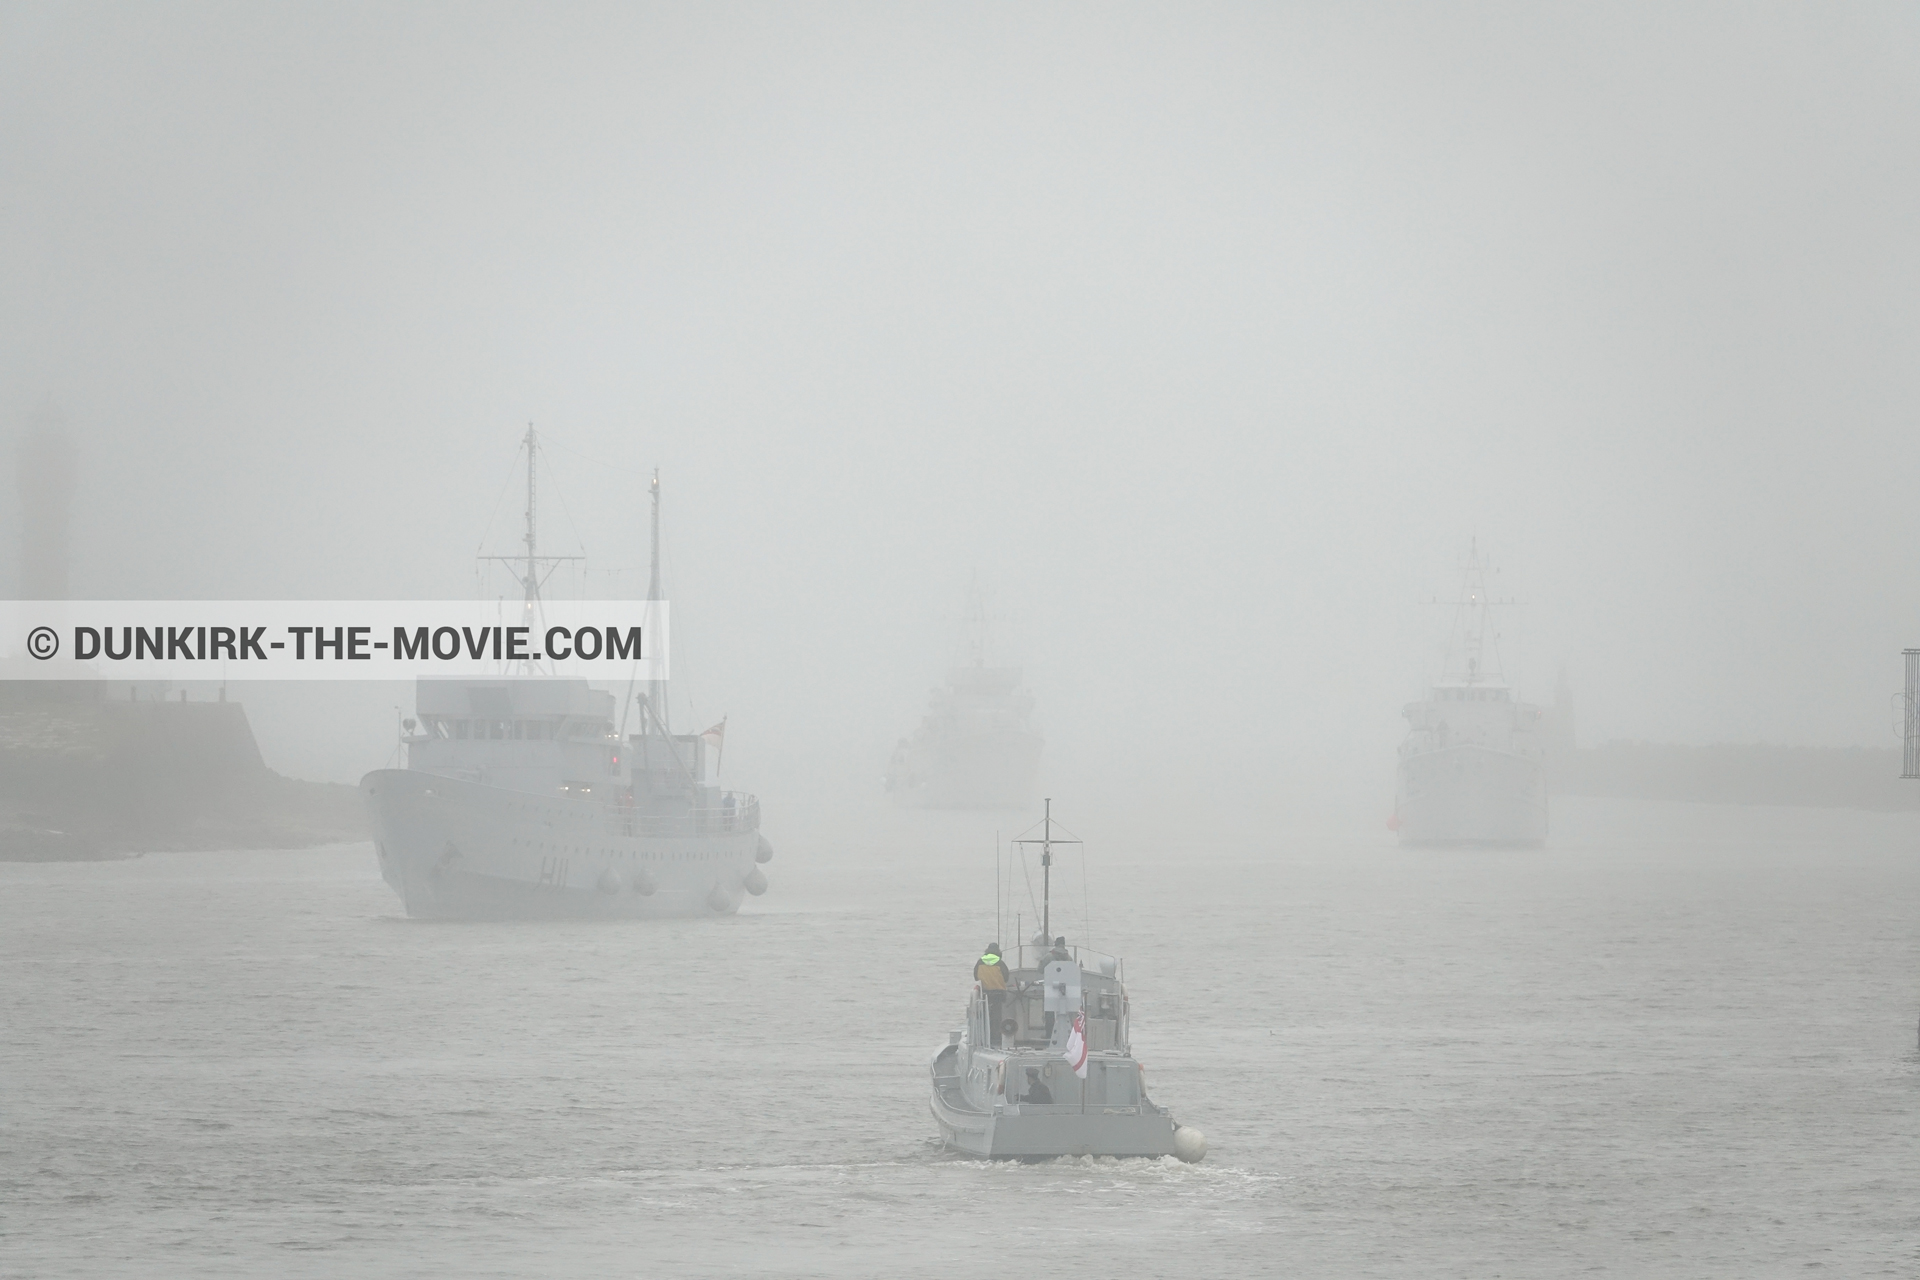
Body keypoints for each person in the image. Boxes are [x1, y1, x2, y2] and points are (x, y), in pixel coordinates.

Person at [975, 943, 1010, 1046]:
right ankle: (996, 1039)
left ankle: (985, 1038)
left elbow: (975, 976)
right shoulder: (1000, 963)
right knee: (996, 1016)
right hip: (998, 993)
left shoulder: (980, 962)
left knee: (985, 1016)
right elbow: (1006, 977)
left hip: (985, 993)